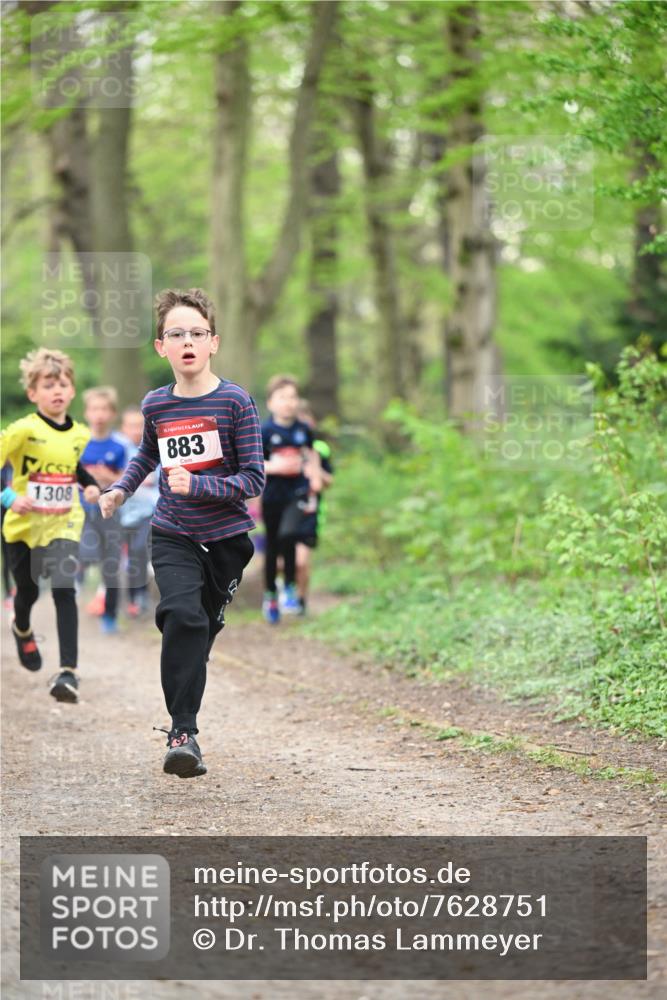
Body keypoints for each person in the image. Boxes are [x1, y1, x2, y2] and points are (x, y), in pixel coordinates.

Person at [99, 288, 264, 779]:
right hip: (173, 530)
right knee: (181, 616)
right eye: (176, 334)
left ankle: (184, 719)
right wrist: (121, 490)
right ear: (161, 347)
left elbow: (253, 480)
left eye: (196, 333)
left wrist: (199, 484)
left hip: (227, 539)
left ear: (214, 342)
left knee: (201, 633)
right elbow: (148, 455)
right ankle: (182, 734)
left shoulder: (235, 401)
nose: (187, 341)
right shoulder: (156, 404)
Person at [0, 348, 100, 702]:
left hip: (64, 523)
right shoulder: (22, 430)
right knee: (28, 592)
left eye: (62, 384)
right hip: (23, 526)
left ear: (72, 390)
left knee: (63, 588)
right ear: (33, 393)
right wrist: (9, 497)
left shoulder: (80, 434)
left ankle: (68, 672)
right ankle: (22, 627)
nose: (56, 390)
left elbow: (72, 466)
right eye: (48, 385)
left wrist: (90, 485)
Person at [260, 375, 322, 624]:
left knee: (289, 534)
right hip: (272, 495)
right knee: (273, 546)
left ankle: (289, 586)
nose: (288, 402)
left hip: (297, 493)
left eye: (293, 397)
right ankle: (270, 595)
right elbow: (253, 463)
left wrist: (315, 475)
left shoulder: (303, 429)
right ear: (271, 402)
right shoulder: (264, 431)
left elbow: (312, 453)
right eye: (282, 397)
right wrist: (275, 467)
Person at [79, 386, 127, 633]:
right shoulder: (78, 443)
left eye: (104, 409)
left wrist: (107, 476)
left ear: (112, 413)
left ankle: (110, 615)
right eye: (94, 409)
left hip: (110, 511)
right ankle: (77, 581)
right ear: (86, 413)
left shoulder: (119, 446)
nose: (99, 414)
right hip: (82, 510)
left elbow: (126, 479)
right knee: (86, 553)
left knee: (111, 567)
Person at [117, 406, 159, 617]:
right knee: (129, 557)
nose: (136, 430)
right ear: (123, 428)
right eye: (131, 426)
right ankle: (131, 597)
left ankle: (140, 596)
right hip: (122, 513)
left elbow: (154, 480)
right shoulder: (118, 450)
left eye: (139, 426)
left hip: (147, 511)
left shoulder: (153, 449)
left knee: (139, 550)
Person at [294, 399, 334, 615]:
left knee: (301, 561)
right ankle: (282, 592)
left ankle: (301, 601)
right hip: (282, 509)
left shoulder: (320, 449)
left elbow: (328, 480)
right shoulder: (280, 444)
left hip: (310, 512)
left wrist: (315, 468)